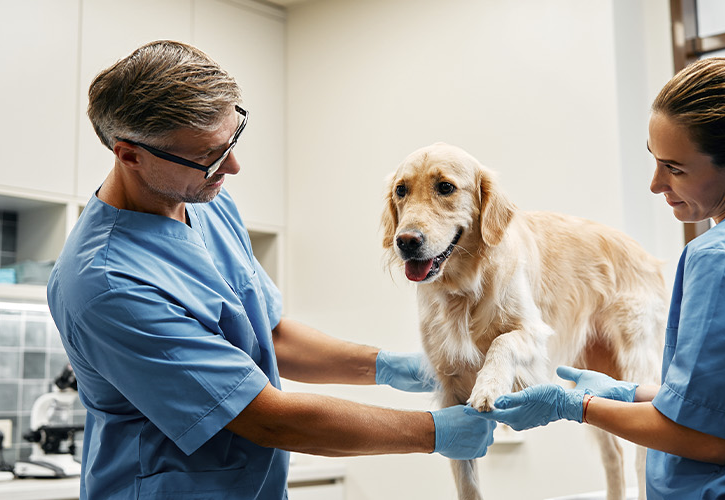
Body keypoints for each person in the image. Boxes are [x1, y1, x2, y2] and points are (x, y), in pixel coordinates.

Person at [47, 40, 494, 500]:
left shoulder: (206, 204)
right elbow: (266, 417)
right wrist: (433, 432)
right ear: (129, 155)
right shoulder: (107, 283)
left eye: (233, 139)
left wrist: (390, 367)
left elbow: (270, 337)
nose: (233, 167)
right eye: (208, 156)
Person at [468, 57, 725, 499]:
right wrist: (631, 393)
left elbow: (707, 440)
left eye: (675, 168)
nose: (656, 184)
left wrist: (576, 406)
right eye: (655, 160)